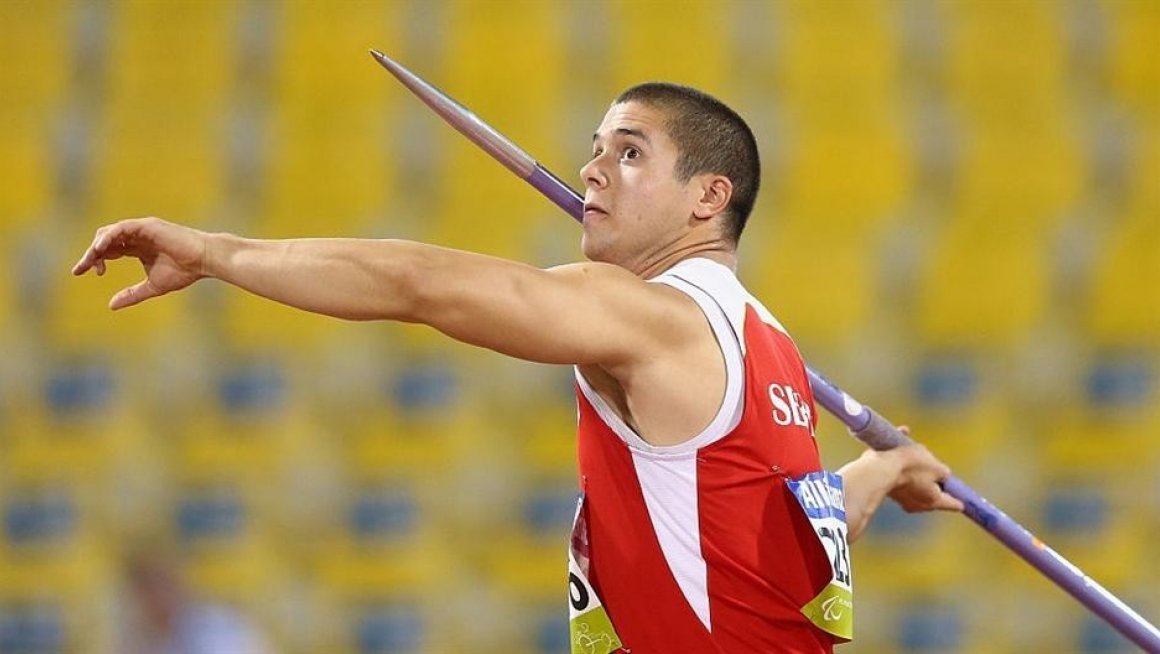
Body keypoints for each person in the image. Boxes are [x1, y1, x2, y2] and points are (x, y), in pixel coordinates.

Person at [75, 82, 963, 654]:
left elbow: (418, 285)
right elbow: (769, 546)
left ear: (708, 196)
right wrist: (882, 472)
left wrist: (218, 252)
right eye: (596, 147)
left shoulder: (651, 316)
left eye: (629, 152)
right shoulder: (771, 348)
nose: (592, 169)